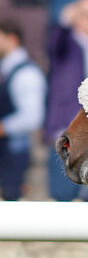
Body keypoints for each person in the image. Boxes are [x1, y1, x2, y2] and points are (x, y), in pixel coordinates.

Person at [42, 0, 88, 200]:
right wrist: (66, 21)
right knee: (64, 198)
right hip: (68, 133)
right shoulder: (68, 44)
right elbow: (54, 43)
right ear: (77, 17)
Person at [0, 19, 47, 200]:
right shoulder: (6, 69)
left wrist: (3, 127)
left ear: (12, 39)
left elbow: (32, 117)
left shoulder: (25, 73)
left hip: (14, 154)